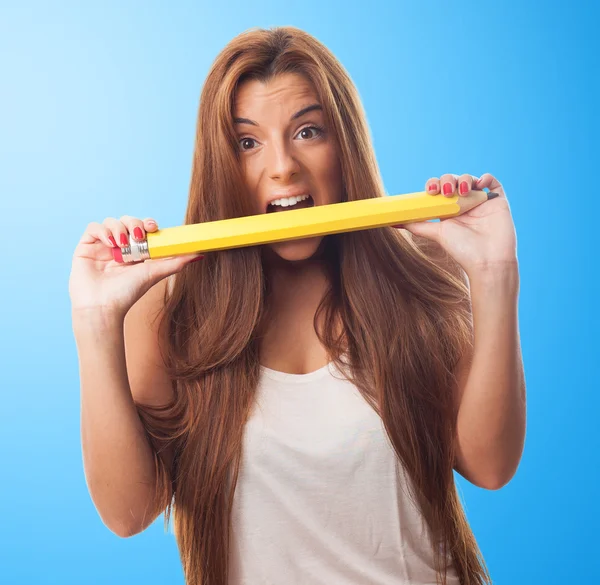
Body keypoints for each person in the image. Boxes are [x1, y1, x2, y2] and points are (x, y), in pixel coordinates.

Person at [69, 26, 525, 585]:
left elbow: (491, 465)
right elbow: (127, 513)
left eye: (308, 131)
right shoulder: (166, 308)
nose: (283, 166)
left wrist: (495, 276)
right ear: (221, 162)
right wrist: (95, 324)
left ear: (346, 147)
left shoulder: (416, 281)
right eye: (248, 142)